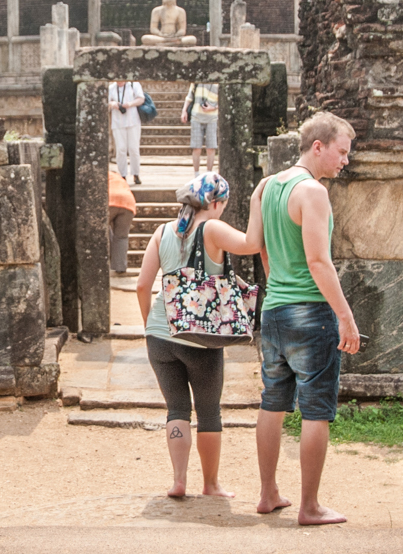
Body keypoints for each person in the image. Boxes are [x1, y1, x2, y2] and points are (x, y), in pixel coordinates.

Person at [242, 111, 361, 526]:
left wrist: (277, 284)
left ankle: (268, 492)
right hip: (310, 312)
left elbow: (256, 244)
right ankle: (310, 507)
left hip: (274, 309)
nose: (344, 161)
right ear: (319, 146)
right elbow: (318, 260)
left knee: (272, 402)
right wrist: (345, 317)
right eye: (341, 152)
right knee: (315, 409)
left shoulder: (266, 187)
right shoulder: (312, 192)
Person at [133, 172, 259, 499]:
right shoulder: (212, 228)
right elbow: (252, 245)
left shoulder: (163, 232)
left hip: (160, 335)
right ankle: (211, 484)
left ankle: (178, 480)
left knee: (176, 408)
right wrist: (259, 202)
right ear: (215, 202)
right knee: (208, 412)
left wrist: (153, 325)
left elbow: (143, 285)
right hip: (200, 336)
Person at [108, 78, 145, 184]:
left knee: (134, 148)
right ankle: (123, 174)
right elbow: (106, 101)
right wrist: (113, 104)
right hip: (118, 121)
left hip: (132, 120)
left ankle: (136, 173)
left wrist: (129, 104)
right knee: (121, 149)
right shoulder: (111, 88)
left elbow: (141, 99)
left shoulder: (134, 84)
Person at [180, 81, 219, 173]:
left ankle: (209, 173)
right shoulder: (196, 81)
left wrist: (213, 107)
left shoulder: (218, 82)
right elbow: (190, 96)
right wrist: (184, 110)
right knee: (196, 147)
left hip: (212, 117)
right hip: (196, 116)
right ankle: (196, 174)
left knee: (211, 147)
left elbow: (224, 99)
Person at [107, 166, 137, 274]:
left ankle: (106, 261)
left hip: (110, 200)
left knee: (103, 231)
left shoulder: (104, 174)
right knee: (121, 237)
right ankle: (120, 267)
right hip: (128, 203)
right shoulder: (119, 178)